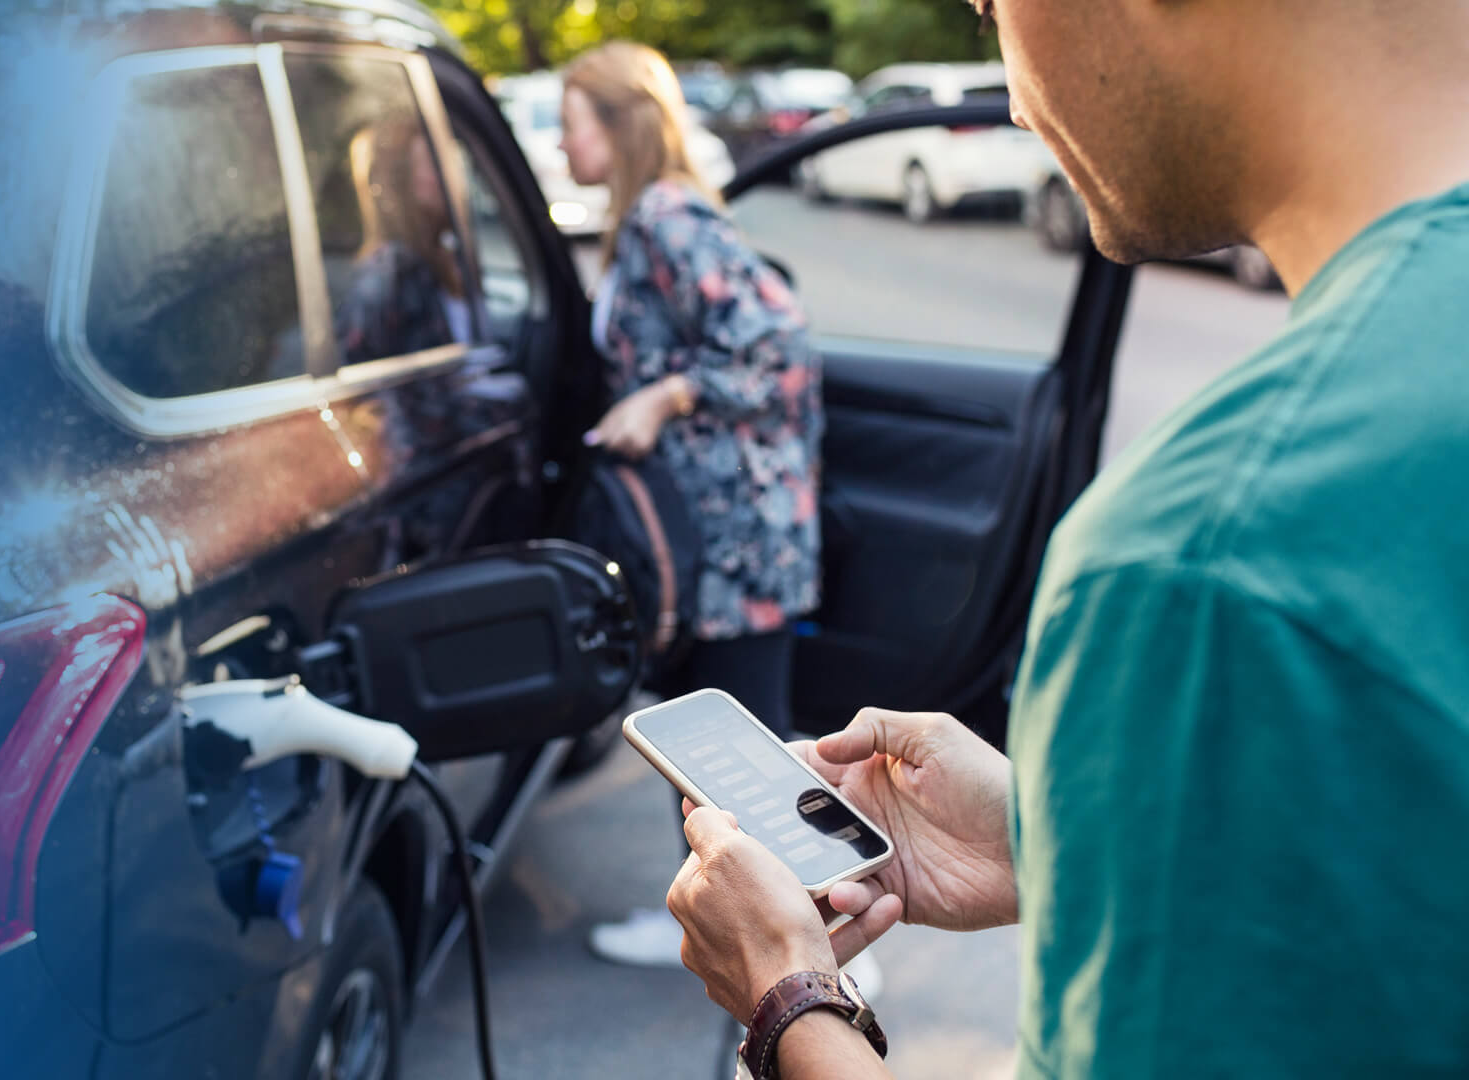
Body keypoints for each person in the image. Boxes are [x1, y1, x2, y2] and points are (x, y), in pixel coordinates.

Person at [667, 1, 1469, 1076]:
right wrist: (1052, 843)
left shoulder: (1207, 564)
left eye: (992, 5)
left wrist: (788, 999)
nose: (1008, 83)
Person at [557, 42, 832, 971]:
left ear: (620, 123)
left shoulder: (667, 217)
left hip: (738, 536)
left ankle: (821, 938)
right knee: (705, 746)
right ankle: (712, 924)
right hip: (702, 536)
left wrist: (664, 396)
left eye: (572, 122)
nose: (561, 144)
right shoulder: (646, 219)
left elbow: (779, 346)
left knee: (744, 743)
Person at [335, 116, 473, 364]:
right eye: (435, 164)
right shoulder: (390, 276)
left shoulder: (440, 258)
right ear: (402, 183)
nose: (452, 176)